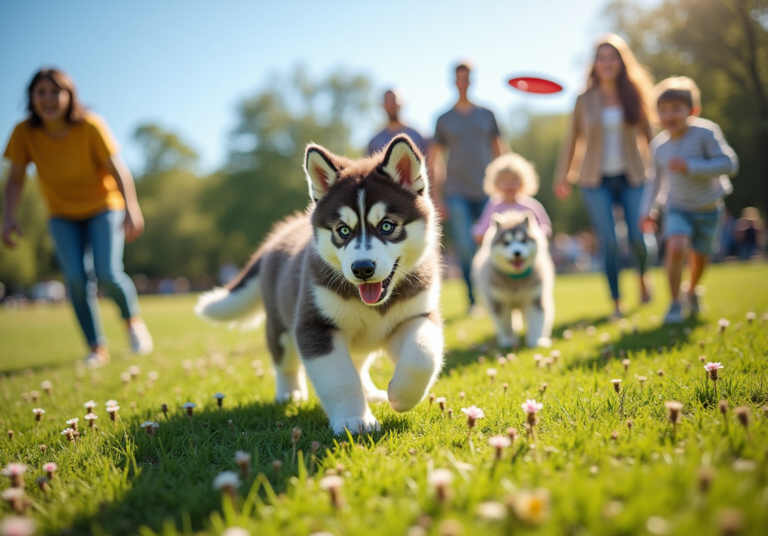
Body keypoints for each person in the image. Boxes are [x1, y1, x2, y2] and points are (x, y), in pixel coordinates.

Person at [2, 68, 153, 366]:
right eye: (41, 92)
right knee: (75, 279)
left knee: (107, 272)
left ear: (70, 97)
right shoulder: (24, 133)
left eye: (56, 91)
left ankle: (132, 323)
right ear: (31, 98)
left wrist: (131, 207)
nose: (48, 98)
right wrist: (8, 216)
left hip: (103, 206)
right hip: (61, 214)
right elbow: (16, 179)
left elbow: (117, 168)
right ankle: (96, 347)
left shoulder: (90, 126)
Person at [553, 34, 654, 319]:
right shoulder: (584, 99)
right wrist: (563, 177)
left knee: (637, 237)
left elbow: (650, 138)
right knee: (609, 241)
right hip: (595, 180)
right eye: (601, 58)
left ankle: (643, 277)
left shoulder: (634, 93)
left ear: (621, 62)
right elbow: (572, 140)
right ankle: (617, 301)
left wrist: (660, 169)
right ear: (594, 65)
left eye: (612, 57)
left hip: (634, 175)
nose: (607, 63)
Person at [639, 76, 739, 323]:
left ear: (692, 111)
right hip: (677, 207)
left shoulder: (706, 132)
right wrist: (647, 211)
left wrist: (690, 166)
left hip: (709, 207)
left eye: (676, 109)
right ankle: (674, 304)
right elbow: (655, 182)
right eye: (663, 110)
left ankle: (691, 291)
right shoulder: (658, 146)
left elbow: (729, 164)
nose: (669, 115)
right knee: (676, 248)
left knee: (701, 258)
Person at [429, 61, 507, 308]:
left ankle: (496, 294)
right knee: (465, 247)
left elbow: (500, 153)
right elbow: (435, 160)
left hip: (487, 192)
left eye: (466, 78)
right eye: (459, 78)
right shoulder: (443, 119)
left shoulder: (487, 114)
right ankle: (474, 301)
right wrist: (436, 196)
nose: (462, 82)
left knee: (494, 244)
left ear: (471, 80)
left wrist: (506, 186)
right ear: (454, 81)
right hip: (456, 191)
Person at [472, 152, 552, 242]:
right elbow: (481, 229)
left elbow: (545, 227)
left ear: (522, 182)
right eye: (504, 180)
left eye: (514, 179)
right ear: (496, 183)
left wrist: (537, 234)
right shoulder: (494, 204)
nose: (509, 184)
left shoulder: (531, 205)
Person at [367, 89, 428, 156]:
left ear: (402, 102)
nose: (391, 105)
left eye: (394, 100)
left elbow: (431, 164)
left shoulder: (418, 136)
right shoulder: (375, 142)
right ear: (383, 106)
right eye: (387, 101)